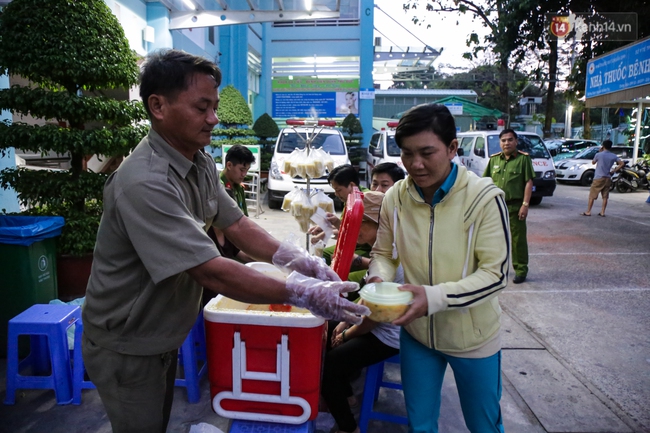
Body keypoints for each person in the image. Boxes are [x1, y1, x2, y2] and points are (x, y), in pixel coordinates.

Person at [81, 49, 368, 433]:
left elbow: (235, 224)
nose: (214, 118)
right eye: (202, 107)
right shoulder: (143, 182)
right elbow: (211, 272)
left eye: (214, 107)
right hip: (127, 342)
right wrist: (302, 293)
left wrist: (297, 259)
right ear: (158, 106)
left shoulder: (196, 159)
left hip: (160, 334)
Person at [368, 103, 509, 433]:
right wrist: (378, 280)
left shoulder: (484, 198)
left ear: (452, 148)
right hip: (418, 336)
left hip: (473, 339)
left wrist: (432, 298)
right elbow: (384, 254)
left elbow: (496, 274)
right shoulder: (395, 198)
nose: (416, 164)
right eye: (407, 153)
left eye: (427, 152)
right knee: (420, 426)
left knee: (484, 426)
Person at [321, 191, 403, 433]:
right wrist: (344, 323)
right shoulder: (381, 249)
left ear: (377, 224)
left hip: (389, 335)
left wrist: (347, 333)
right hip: (376, 321)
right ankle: (345, 395)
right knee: (324, 327)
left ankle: (348, 427)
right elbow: (367, 300)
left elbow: (375, 318)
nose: (354, 230)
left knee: (331, 365)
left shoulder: (391, 258)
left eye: (360, 224)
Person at [483, 128, 534, 284]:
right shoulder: (494, 160)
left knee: (518, 240)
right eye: (503, 140)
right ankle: (497, 269)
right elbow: (486, 182)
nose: (507, 143)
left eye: (510, 140)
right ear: (500, 143)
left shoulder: (523, 159)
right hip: (496, 207)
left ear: (516, 141)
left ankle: (520, 270)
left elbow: (528, 182)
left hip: (515, 206)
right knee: (496, 240)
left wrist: (525, 204)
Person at [581, 140, 623, 217]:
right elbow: (621, 163)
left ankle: (588, 211)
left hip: (598, 177)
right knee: (605, 196)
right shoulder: (613, 156)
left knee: (592, 195)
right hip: (607, 177)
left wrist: (600, 151)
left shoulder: (598, 155)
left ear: (603, 146)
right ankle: (602, 212)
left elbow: (593, 162)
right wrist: (614, 170)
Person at [220, 144, 255, 216]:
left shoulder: (239, 188)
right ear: (229, 165)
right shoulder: (217, 187)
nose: (244, 174)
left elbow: (244, 216)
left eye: (247, 170)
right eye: (242, 170)